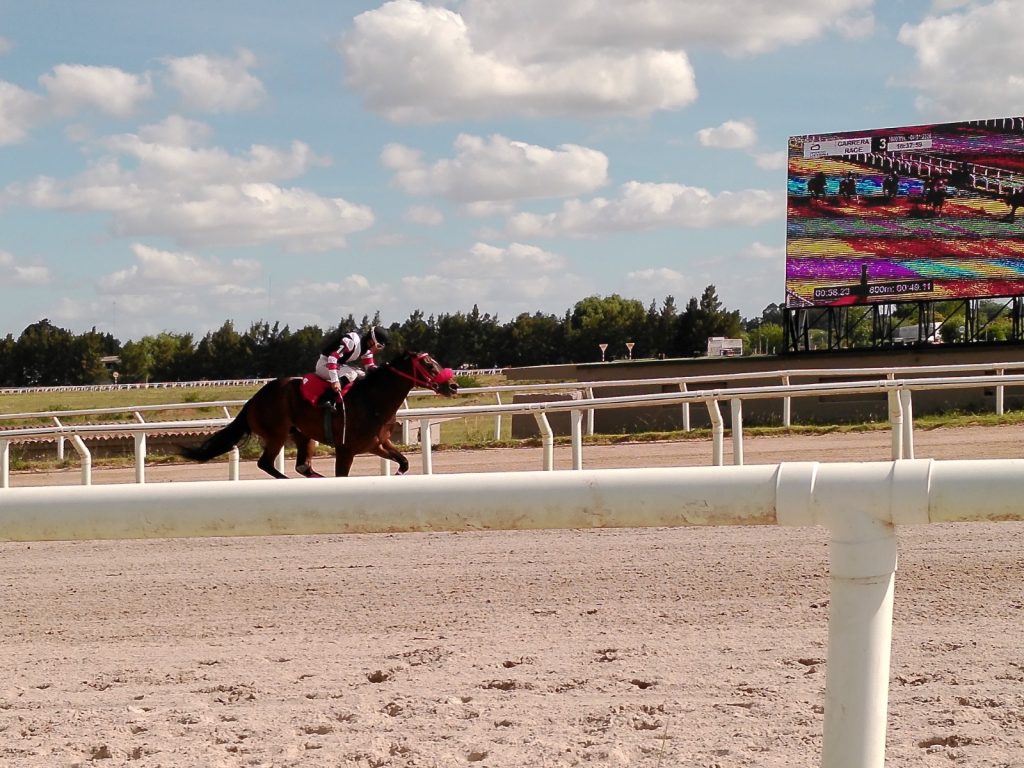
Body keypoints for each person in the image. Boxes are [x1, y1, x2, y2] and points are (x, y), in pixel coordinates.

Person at [314, 325, 389, 409]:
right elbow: (332, 358)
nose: (378, 350)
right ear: (372, 341)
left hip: (336, 364)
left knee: (362, 374)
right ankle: (325, 398)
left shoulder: (367, 350)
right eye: (379, 346)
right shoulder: (351, 342)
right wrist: (335, 381)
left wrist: (382, 370)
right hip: (325, 363)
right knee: (352, 373)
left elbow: (370, 368)